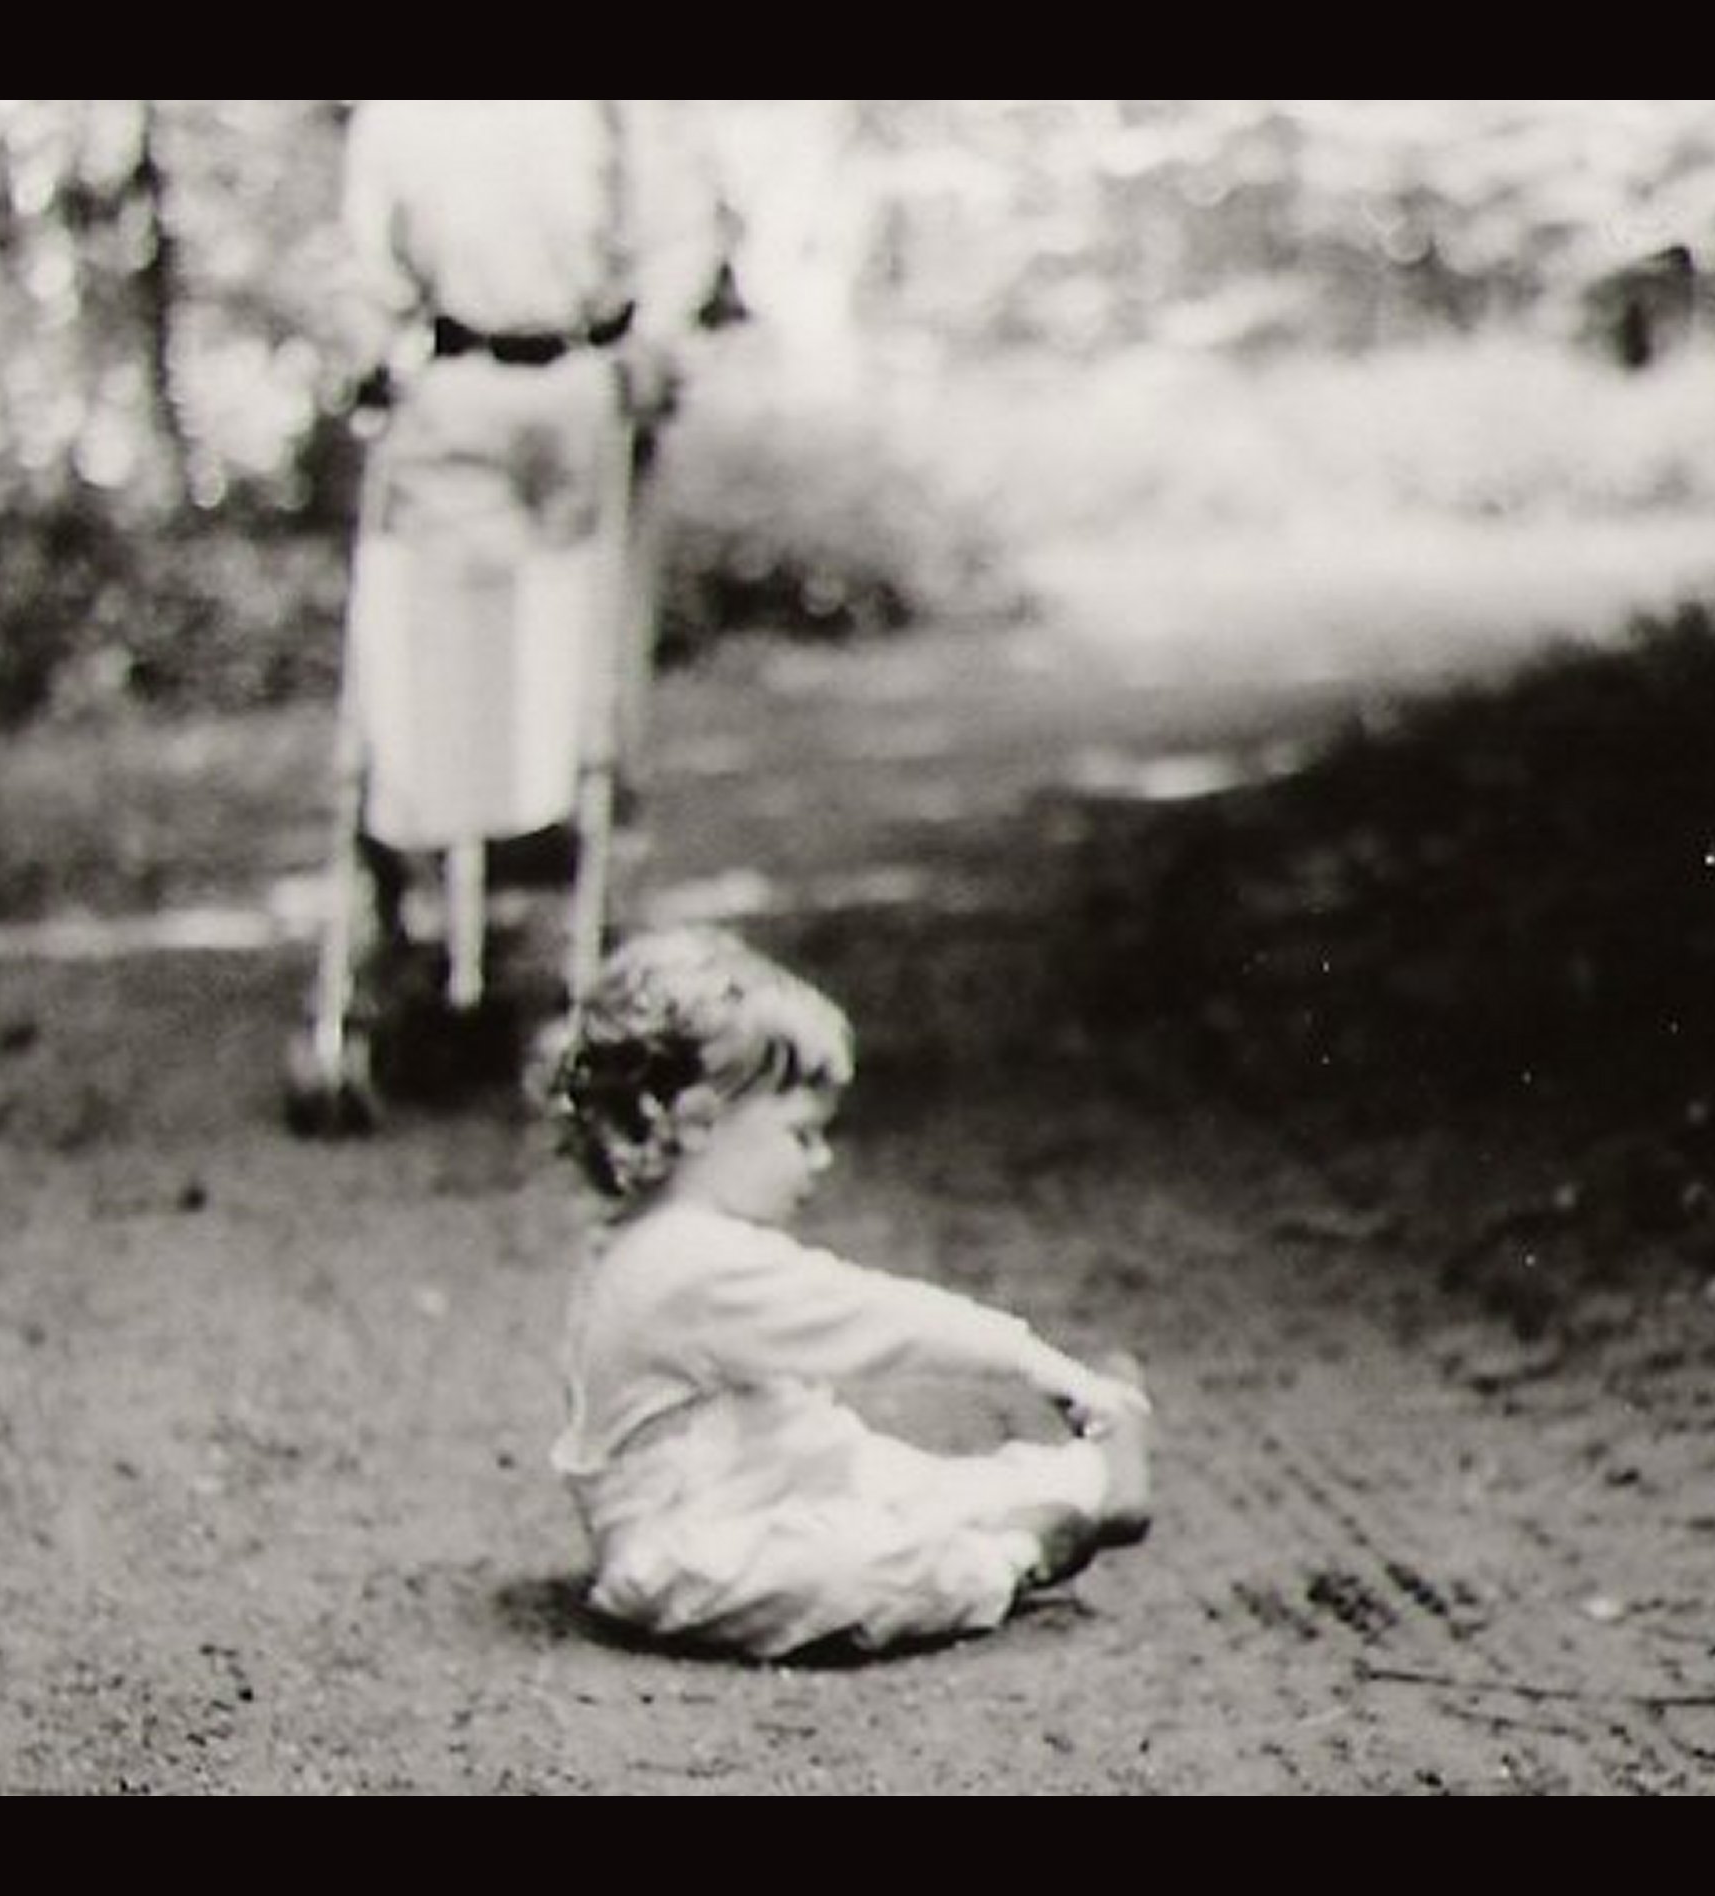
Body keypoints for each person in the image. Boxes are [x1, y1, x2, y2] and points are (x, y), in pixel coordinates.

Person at [532, 927, 1157, 1660]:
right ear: (699, 1122)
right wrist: (1037, 1363)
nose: (820, 1160)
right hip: (692, 1546)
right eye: (801, 1135)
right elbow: (880, 1320)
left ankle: (1087, 1475)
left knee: (888, 1484)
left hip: (759, 1481)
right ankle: (1021, 1551)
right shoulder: (689, 1263)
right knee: (846, 1563)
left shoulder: (652, 1240)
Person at [330, 101, 734, 1013]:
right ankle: (419, 907)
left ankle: (590, 921)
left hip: (584, 391)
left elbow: (677, 222)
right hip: (451, 393)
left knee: (581, 670)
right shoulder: (399, 114)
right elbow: (368, 260)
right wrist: (367, 347)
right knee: (428, 655)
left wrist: (658, 336)